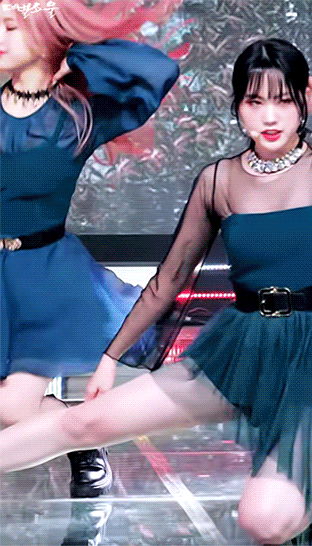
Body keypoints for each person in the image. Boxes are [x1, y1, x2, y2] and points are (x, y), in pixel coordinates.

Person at [0, 39, 312, 545]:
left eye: (283, 100)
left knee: (264, 520)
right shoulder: (220, 179)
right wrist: (109, 359)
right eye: (254, 101)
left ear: (302, 103)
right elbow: (169, 279)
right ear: (237, 107)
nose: (269, 116)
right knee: (82, 423)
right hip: (241, 346)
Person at [0, 0, 179, 498]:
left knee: (12, 408)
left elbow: (157, 70)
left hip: (44, 275)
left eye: (10, 26)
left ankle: (79, 440)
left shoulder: (78, 113)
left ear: (42, 30)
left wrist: (70, 50)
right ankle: (79, 439)